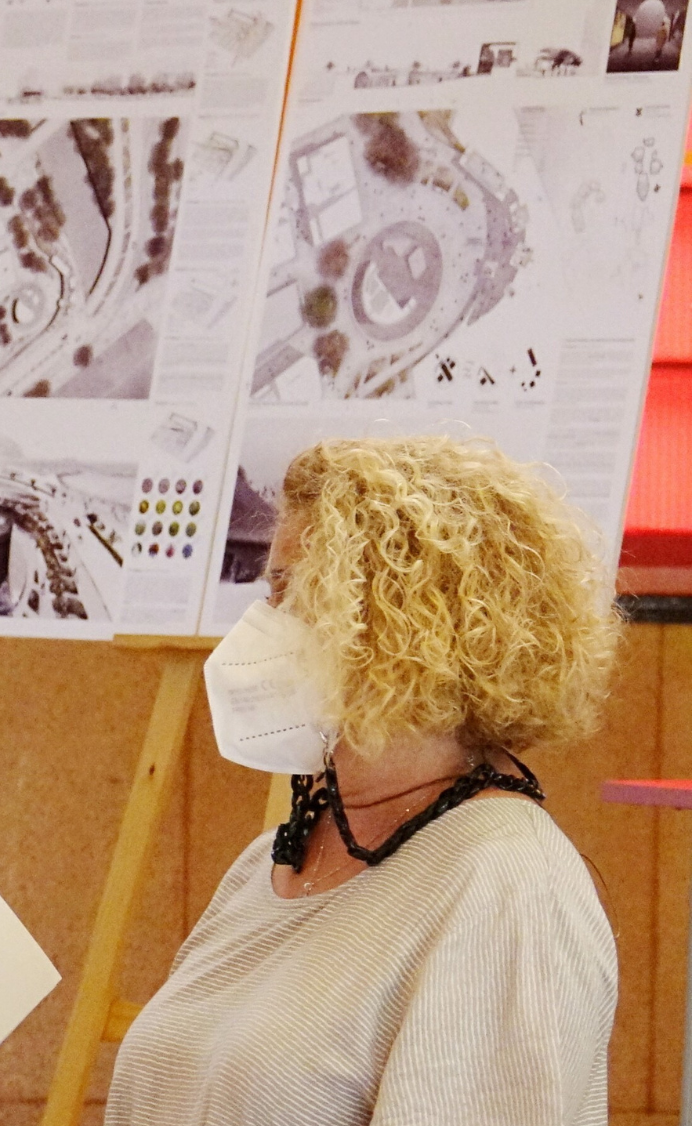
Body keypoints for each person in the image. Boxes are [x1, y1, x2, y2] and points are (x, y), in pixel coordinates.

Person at [106, 436, 622, 1126]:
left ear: (405, 623)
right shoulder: (272, 861)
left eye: (291, 591)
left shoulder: (508, 886)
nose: (260, 626)